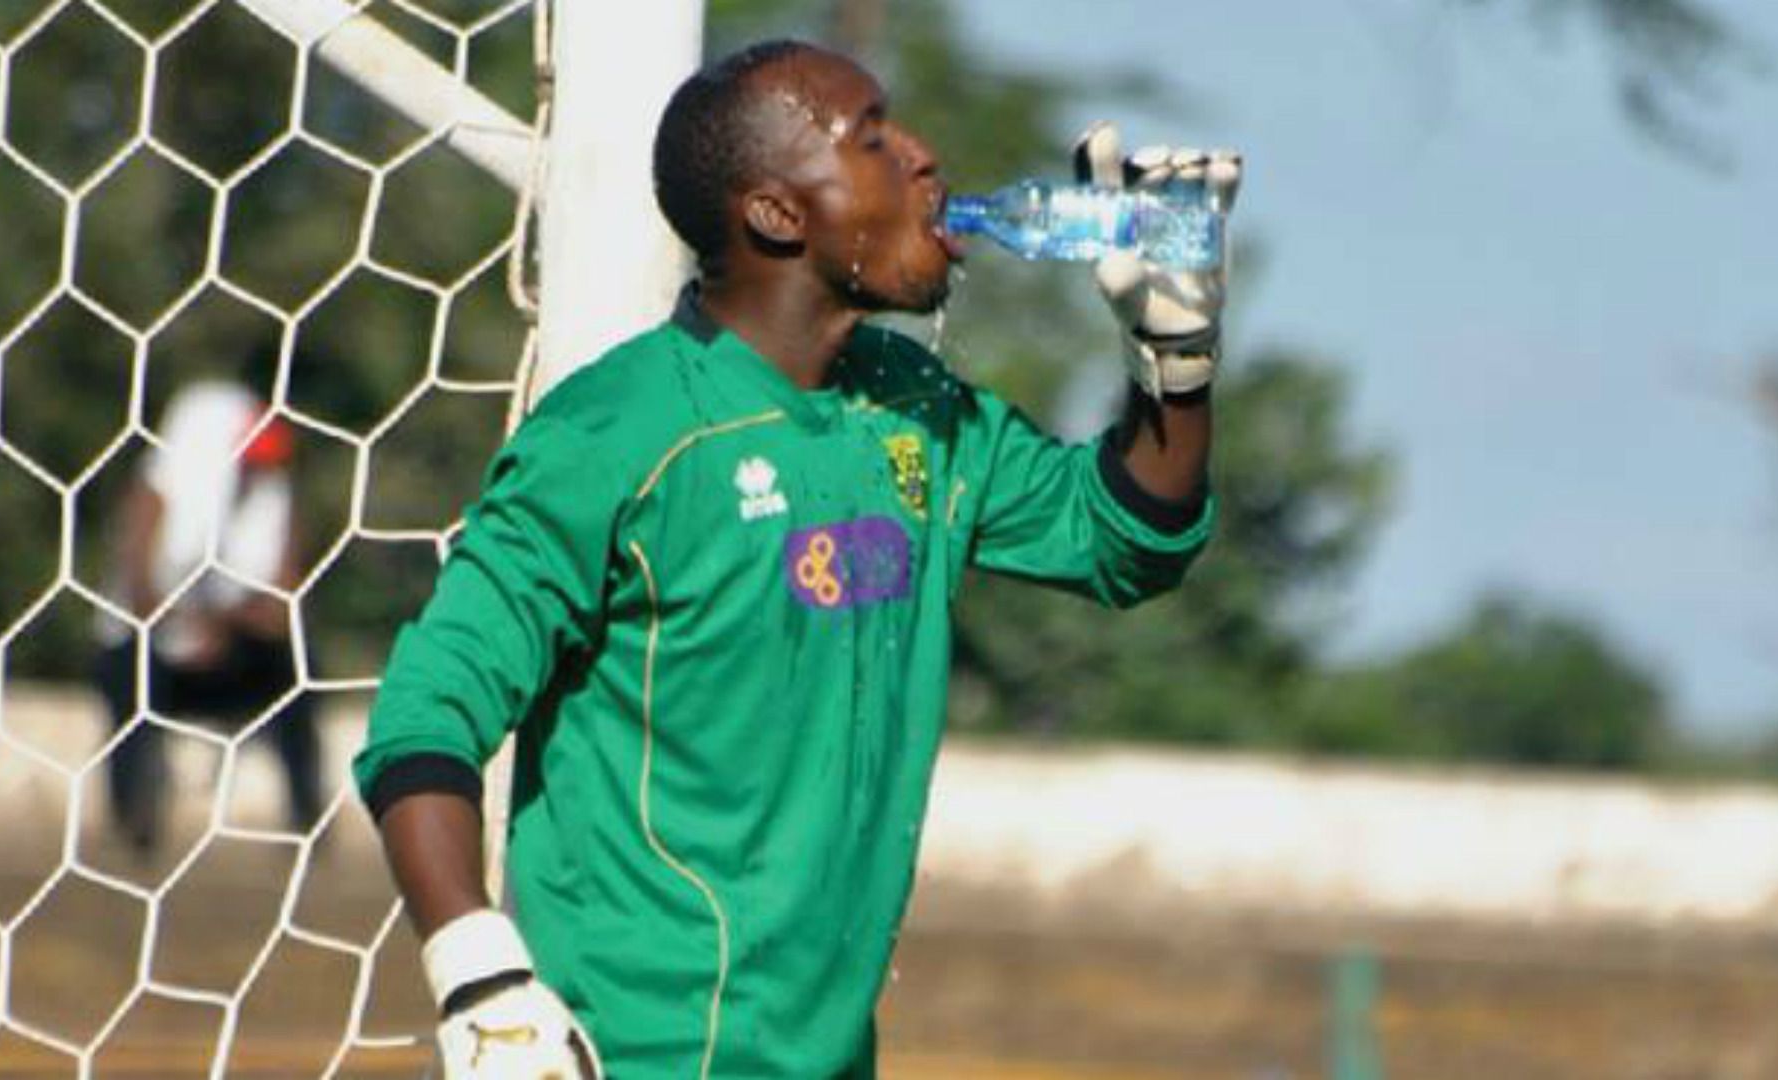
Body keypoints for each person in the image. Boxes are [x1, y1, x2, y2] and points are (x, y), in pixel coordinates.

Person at [353, 38, 1240, 1078]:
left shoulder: (918, 414)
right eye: (871, 138)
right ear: (776, 213)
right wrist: (480, 976)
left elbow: (1123, 539)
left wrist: (1174, 366)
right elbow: (425, 714)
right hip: (623, 1056)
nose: (921, 158)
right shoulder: (620, 433)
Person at [93, 377, 321, 856]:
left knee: (301, 669)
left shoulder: (274, 498)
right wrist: (192, 626)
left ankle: (307, 821)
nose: (255, 472)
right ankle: (134, 820)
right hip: (152, 651)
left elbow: (284, 606)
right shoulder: (156, 492)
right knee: (130, 676)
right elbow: (139, 589)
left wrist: (223, 626)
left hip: (230, 651)